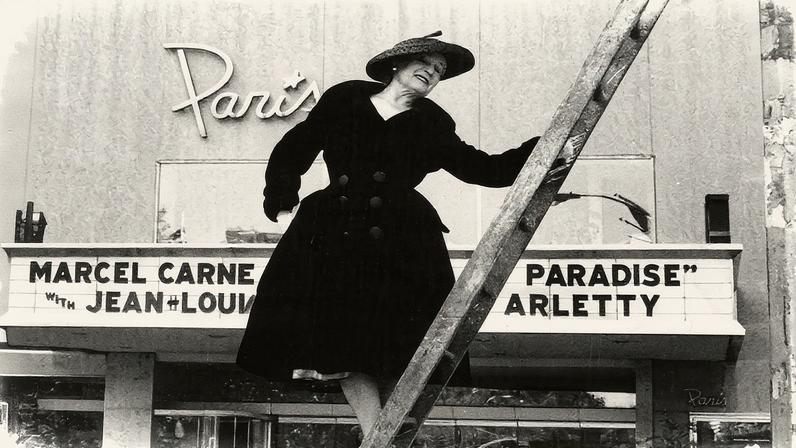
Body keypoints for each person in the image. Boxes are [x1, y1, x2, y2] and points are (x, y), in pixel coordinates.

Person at [236, 31, 540, 440]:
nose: (432, 73)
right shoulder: (345, 99)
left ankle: (384, 435)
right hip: (332, 233)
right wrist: (284, 201)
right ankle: (376, 435)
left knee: (398, 345)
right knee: (340, 345)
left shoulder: (433, 122)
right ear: (397, 64)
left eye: (440, 71)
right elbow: (294, 148)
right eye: (427, 63)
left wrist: (542, 150)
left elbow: (482, 169)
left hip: (401, 241)